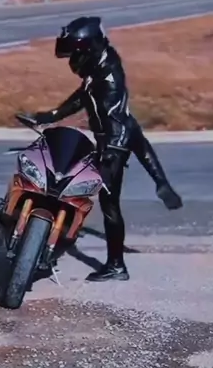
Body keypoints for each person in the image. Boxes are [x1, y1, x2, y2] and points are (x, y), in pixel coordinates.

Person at [21, 15, 183, 282]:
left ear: (87, 50)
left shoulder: (108, 81)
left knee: (103, 203)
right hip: (117, 137)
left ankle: (114, 266)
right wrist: (49, 116)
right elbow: (83, 97)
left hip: (113, 143)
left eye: (75, 54)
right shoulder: (100, 64)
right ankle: (51, 245)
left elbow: (121, 126)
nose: (72, 60)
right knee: (80, 191)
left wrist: (111, 152)